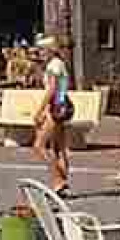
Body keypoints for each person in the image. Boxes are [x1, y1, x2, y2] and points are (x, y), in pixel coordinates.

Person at [33, 34, 73, 196]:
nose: (40, 54)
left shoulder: (53, 66)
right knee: (58, 147)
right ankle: (62, 183)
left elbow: (52, 89)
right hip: (63, 105)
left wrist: (40, 110)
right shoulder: (59, 64)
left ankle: (59, 180)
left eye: (42, 50)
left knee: (39, 145)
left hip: (56, 106)